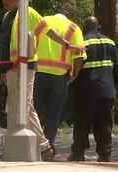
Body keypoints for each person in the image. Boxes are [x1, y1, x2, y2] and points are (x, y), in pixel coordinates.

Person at [0, 0, 84, 161]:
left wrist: (67, 45)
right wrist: (3, 69)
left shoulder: (28, 12)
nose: (4, 1)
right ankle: (25, 145)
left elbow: (48, 31)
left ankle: (44, 146)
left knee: (25, 104)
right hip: (11, 67)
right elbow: (4, 43)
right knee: (15, 105)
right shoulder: (7, 17)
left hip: (26, 65)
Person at [68, 16, 118, 162]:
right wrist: (111, 84)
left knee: (82, 122)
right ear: (98, 26)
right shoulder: (110, 42)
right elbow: (117, 67)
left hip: (87, 90)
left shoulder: (82, 42)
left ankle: (78, 153)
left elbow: (76, 66)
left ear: (84, 27)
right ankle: (105, 154)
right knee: (104, 124)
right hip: (107, 91)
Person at [34, 3, 86, 153]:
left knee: (34, 111)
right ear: (71, 16)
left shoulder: (43, 20)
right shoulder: (73, 28)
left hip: (38, 72)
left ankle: (34, 144)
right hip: (59, 76)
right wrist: (75, 74)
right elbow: (79, 54)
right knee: (54, 113)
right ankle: (48, 146)